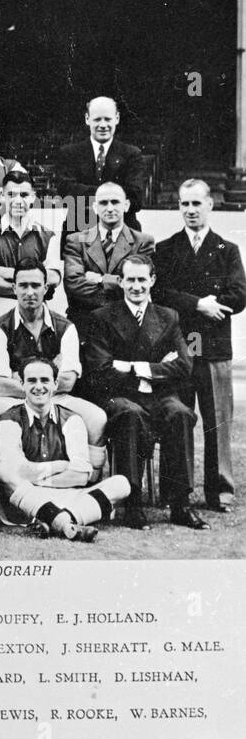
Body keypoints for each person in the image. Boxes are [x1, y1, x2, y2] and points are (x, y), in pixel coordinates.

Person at [81, 254, 202, 530]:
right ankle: (132, 502)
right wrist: (159, 366)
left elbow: (184, 365)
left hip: (158, 395)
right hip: (120, 396)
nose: (137, 286)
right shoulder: (102, 317)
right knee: (130, 414)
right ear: (120, 282)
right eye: (130, 280)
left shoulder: (168, 316)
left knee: (181, 413)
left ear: (152, 280)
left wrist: (135, 367)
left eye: (142, 279)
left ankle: (180, 503)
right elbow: (100, 370)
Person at [153, 178, 246, 513]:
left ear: (210, 204)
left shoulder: (227, 250)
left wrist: (212, 302)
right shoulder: (165, 249)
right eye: (184, 204)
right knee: (179, 419)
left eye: (196, 203)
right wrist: (198, 304)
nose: (190, 210)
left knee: (217, 422)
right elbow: (160, 293)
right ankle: (177, 491)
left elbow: (238, 296)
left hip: (215, 349)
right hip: (179, 349)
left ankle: (219, 490)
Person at [0, 357, 131, 541]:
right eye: (32, 381)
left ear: (55, 384)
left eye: (45, 380)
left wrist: (38, 477)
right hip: (27, 500)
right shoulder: (9, 419)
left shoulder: (72, 419)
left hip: (66, 496)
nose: (38, 387)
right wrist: (61, 465)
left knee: (121, 483)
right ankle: (67, 522)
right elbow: (17, 472)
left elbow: (81, 476)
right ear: (22, 384)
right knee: (3, 471)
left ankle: (55, 520)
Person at [0, 259, 107, 453]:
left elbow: (68, 382)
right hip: (11, 399)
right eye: (23, 285)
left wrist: (19, 378)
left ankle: (87, 479)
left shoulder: (66, 327)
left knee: (97, 418)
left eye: (36, 285)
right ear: (14, 288)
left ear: (46, 288)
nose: (30, 292)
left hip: (56, 397)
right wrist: (48, 375)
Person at [0, 168, 61, 328]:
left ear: (33, 197)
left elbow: (53, 278)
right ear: (2, 196)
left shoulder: (48, 236)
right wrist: (34, 286)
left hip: (36, 315)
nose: (18, 201)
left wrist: (2, 271)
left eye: (24, 195)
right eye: (11, 195)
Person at [62, 182, 154, 334]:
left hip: (127, 325)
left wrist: (99, 279)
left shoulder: (143, 242)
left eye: (115, 202)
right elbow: (73, 284)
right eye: (104, 203)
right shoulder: (75, 241)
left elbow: (140, 284)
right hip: (85, 324)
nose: (110, 208)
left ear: (126, 205)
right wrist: (119, 285)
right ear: (95, 207)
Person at [56, 95, 145, 232]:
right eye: (97, 119)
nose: (103, 125)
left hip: (123, 234)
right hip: (78, 233)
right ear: (87, 119)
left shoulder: (132, 154)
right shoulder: (69, 153)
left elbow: (136, 198)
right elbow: (65, 193)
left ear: (117, 118)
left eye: (107, 119)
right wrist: (113, 195)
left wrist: (85, 192)